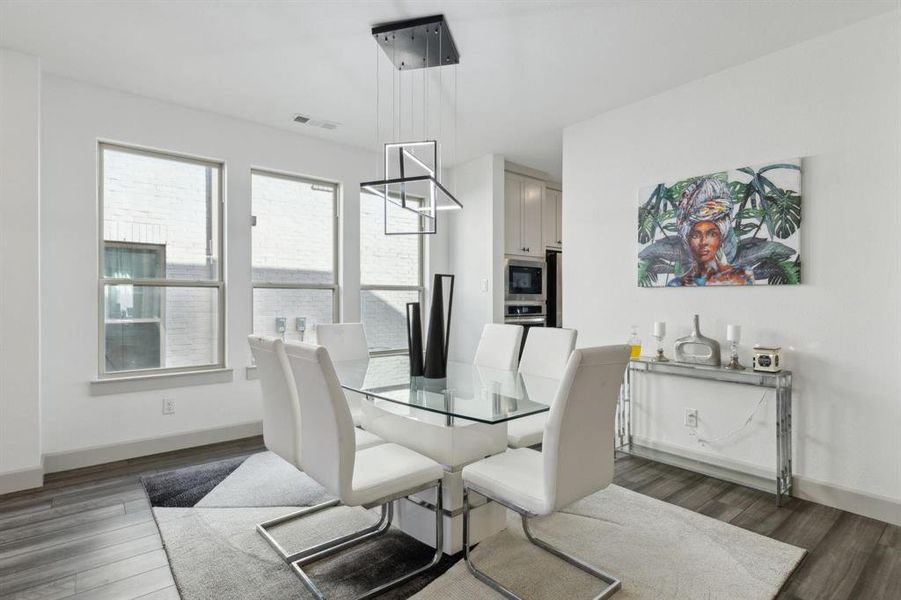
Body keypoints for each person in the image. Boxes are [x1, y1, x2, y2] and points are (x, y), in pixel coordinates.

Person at [668, 177, 753, 286]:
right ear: (687, 239)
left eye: (712, 234)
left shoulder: (742, 275)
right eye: (695, 235)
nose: (703, 242)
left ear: (721, 237)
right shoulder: (677, 285)